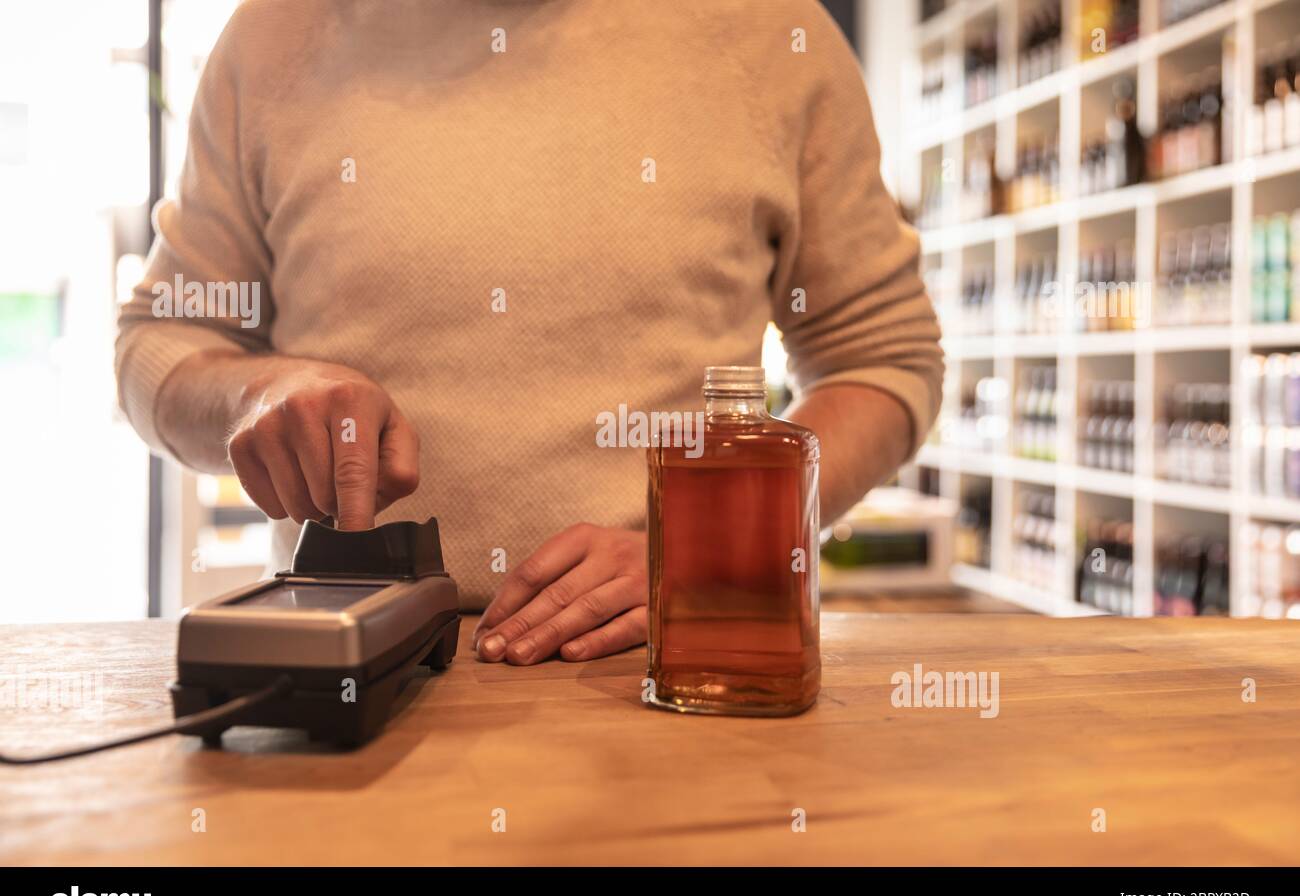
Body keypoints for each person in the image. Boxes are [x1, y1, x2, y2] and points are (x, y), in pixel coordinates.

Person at [115, 0, 944, 666]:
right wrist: (257, 394)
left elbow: (884, 361)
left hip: (677, 678)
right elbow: (161, 344)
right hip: (352, 687)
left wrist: (706, 540)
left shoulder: (772, 34)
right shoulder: (273, 35)